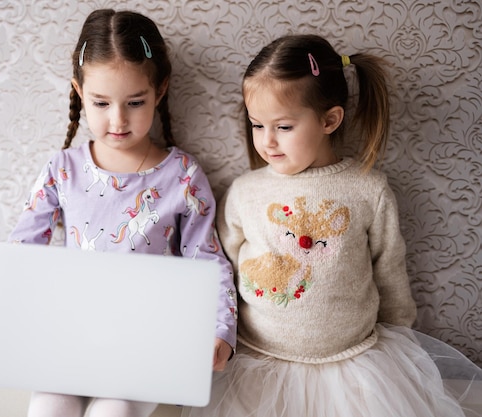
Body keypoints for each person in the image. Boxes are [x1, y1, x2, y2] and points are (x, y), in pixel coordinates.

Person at [181, 34, 482, 417]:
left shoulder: (367, 189)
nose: (267, 142)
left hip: (354, 363)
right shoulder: (245, 192)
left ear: (329, 119)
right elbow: (225, 269)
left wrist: (401, 339)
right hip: (259, 363)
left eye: (284, 127)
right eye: (257, 125)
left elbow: (389, 270)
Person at [7, 9, 237, 417]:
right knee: (46, 410)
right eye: (101, 102)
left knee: (114, 413)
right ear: (79, 92)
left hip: (147, 343)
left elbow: (208, 259)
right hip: (73, 337)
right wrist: (8, 323)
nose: (118, 119)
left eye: (135, 102)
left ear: (160, 91)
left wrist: (221, 330)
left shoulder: (183, 176)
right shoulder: (63, 170)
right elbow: (23, 251)